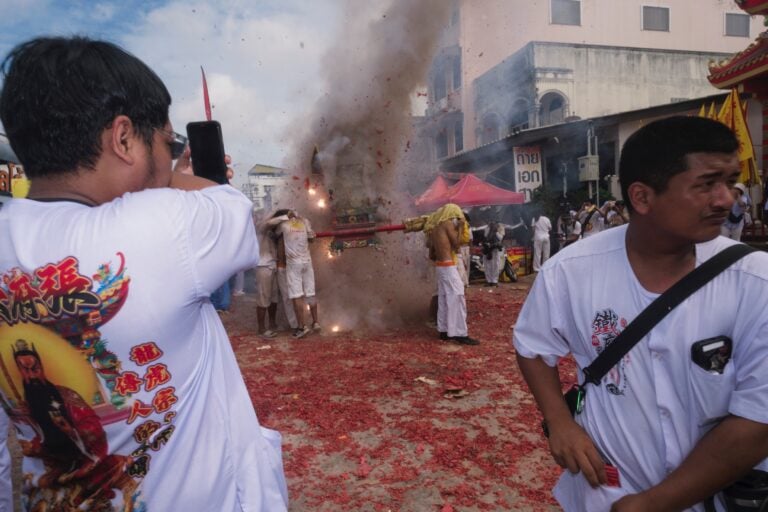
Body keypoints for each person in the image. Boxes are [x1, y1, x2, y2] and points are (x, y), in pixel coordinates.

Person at [0, 37, 288, 511]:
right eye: (168, 142)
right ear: (123, 138)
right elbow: (231, 206)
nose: (171, 158)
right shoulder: (164, 226)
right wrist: (173, 173)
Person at [514, 116, 768, 512]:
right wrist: (559, 422)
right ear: (643, 197)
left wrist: (654, 503)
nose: (725, 199)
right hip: (607, 490)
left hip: (718, 498)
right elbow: (532, 346)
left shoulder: (756, 281)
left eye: (730, 181)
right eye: (706, 184)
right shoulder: (570, 271)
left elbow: (758, 420)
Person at [425, 204, 479, 345]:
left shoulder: (434, 228)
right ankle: (460, 333)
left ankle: (444, 331)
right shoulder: (447, 224)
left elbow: (431, 254)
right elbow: (456, 243)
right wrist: (461, 226)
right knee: (457, 296)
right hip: (448, 265)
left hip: (440, 266)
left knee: (443, 297)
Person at [273, 209, 319, 338]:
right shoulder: (304, 222)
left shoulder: (283, 225)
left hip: (294, 263)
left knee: (296, 295)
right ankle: (316, 322)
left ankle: (301, 327)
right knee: (310, 292)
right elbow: (312, 238)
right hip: (307, 262)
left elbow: (275, 234)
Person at [480, 219, 506, 286]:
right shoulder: (487, 228)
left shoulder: (500, 227)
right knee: (487, 265)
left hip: (495, 249)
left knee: (495, 265)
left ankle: (494, 281)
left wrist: (495, 230)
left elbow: (500, 238)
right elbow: (485, 236)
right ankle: (489, 281)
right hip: (488, 249)